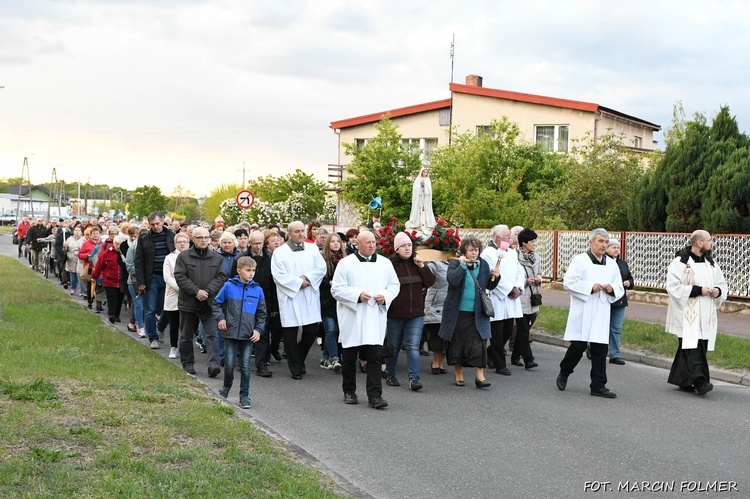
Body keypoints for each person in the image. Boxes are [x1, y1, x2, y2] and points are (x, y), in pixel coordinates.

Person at [331, 230, 401, 409]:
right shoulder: (346, 264)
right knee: (349, 357)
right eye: (367, 242)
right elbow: (336, 289)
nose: (371, 245)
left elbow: (394, 285)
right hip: (352, 316)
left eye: (373, 242)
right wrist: (356, 295)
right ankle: (349, 391)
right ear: (358, 244)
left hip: (374, 316)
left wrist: (385, 296)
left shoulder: (385, 263)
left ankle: (375, 395)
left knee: (375, 357)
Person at [556, 228, 624, 399]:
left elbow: (619, 286)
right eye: (600, 241)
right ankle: (564, 371)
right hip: (584, 309)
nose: (604, 245)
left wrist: (611, 289)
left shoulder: (611, 263)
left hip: (601, 310)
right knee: (578, 347)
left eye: (606, 242)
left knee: (601, 348)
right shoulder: (580, 260)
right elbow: (569, 282)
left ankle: (598, 385)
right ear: (591, 242)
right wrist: (589, 287)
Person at [665, 230, 727, 396]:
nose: (712, 243)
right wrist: (698, 290)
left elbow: (722, 283)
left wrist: (718, 291)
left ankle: (683, 380)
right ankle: (701, 382)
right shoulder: (680, 262)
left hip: (706, 313)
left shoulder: (710, 263)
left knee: (695, 346)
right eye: (709, 240)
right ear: (700, 243)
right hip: (687, 313)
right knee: (693, 347)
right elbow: (672, 287)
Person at [439, 235, 500, 389]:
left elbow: (489, 286)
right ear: (464, 250)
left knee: (479, 344)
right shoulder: (455, 263)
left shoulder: (483, 264)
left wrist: (496, 277)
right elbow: (452, 281)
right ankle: (458, 373)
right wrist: (463, 266)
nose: (474, 253)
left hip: (477, 312)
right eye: (471, 250)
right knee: (458, 343)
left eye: (477, 250)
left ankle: (480, 376)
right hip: (458, 312)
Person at [271, 220, 327, 380]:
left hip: (308, 293)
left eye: (303, 230)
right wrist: (297, 282)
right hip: (290, 296)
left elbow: (321, 268)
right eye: (297, 231)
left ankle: (298, 357)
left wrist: (307, 278)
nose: (301, 234)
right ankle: (295, 368)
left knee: (312, 331)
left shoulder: (312, 248)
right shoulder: (280, 252)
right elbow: (278, 275)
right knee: (290, 333)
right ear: (289, 234)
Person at [213, 256, 267, 409]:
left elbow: (262, 313)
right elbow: (217, 303)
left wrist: (258, 330)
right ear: (238, 270)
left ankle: (244, 395)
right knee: (229, 364)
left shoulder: (257, 290)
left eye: (253, 270)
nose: (251, 274)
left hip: (248, 334)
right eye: (248, 270)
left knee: (245, 366)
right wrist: (221, 319)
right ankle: (225, 389)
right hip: (230, 332)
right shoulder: (228, 286)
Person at [385, 232, 435, 391]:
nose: (407, 248)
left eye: (409, 245)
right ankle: (390, 374)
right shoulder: (390, 265)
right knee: (393, 345)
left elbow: (430, 282)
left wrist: (422, 266)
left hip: (416, 314)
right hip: (396, 313)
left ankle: (414, 379)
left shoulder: (416, 263)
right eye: (403, 246)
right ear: (396, 249)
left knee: (413, 347)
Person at [174, 227, 226, 377]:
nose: (203, 240)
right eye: (200, 237)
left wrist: (207, 292)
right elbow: (180, 277)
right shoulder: (184, 257)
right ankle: (188, 363)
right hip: (189, 302)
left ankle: (213, 365)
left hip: (209, 302)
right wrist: (196, 291)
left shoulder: (217, 258)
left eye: (206, 237)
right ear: (193, 239)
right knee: (186, 335)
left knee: (212, 334)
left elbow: (221, 277)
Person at [481, 224, 525, 376]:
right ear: (498, 237)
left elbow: (520, 271)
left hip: (512, 298)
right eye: (507, 235)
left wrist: (518, 287)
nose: (510, 237)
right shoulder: (487, 253)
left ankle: (491, 354)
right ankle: (501, 365)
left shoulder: (511, 252)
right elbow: (492, 275)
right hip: (498, 297)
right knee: (497, 333)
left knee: (508, 330)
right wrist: (509, 290)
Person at [135, 212, 175, 349]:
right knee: (150, 309)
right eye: (152, 224)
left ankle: (161, 327)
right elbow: (138, 260)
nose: (156, 227)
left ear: (163, 221)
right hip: (151, 277)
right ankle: (153, 337)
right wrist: (140, 282)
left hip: (168, 277)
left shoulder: (171, 235)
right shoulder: (144, 237)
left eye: (158, 223)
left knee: (167, 308)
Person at [512, 228, 541, 369]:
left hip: (533, 297)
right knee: (523, 329)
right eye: (531, 241)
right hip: (520, 296)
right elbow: (513, 275)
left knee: (524, 329)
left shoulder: (537, 257)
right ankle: (528, 359)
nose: (534, 244)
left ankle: (514, 356)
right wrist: (525, 281)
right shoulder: (514, 256)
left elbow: (540, 273)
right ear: (523, 243)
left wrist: (538, 279)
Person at [319, 232, 345, 371]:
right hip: (326, 300)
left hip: (340, 301)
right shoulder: (322, 259)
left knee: (337, 330)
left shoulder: (345, 259)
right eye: (333, 241)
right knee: (330, 329)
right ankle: (335, 358)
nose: (336, 243)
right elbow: (317, 280)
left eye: (338, 241)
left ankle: (324, 358)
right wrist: (329, 282)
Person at [605, 239, 634, 366]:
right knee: (601, 327)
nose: (617, 249)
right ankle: (591, 348)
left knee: (616, 328)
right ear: (607, 248)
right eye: (613, 247)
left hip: (620, 300)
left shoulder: (622, 263)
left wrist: (629, 282)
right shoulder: (602, 262)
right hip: (605, 300)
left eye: (618, 247)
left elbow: (629, 277)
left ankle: (614, 355)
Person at [163, 232, 191, 359]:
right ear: (175, 244)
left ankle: (186, 349)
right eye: (179, 241)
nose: (182, 243)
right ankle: (173, 347)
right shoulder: (169, 258)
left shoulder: (192, 257)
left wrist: (190, 288)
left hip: (190, 294)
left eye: (185, 241)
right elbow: (167, 277)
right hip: (174, 294)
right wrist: (181, 288)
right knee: (174, 323)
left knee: (187, 325)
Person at [91, 227, 125, 324]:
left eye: (120, 244)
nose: (117, 246)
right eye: (116, 244)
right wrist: (94, 276)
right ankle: (111, 314)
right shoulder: (108, 253)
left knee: (119, 298)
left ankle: (117, 315)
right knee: (111, 298)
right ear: (113, 243)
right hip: (109, 280)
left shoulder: (125, 253)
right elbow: (99, 265)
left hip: (122, 280)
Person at [423, 259, 450, 375]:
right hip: (436, 303)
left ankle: (441, 362)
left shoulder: (456, 262)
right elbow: (426, 275)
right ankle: (435, 362)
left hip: (450, 303)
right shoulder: (434, 263)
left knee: (447, 336)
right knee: (437, 335)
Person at [406, 168, 436, 235]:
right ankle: (418, 224)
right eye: (424, 172)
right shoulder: (418, 179)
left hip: (426, 199)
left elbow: (429, 191)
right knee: (419, 212)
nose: (425, 173)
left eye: (426, 172)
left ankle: (426, 224)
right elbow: (415, 189)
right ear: (421, 172)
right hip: (419, 198)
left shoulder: (428, 180)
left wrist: (425, 188)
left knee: (425, 212)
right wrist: (420, 187)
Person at [63, 226, 84, 297]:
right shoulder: (69, 239)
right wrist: (65, 247)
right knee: (72, 276)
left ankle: (80, 290)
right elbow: (65, 249)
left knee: (80, 276)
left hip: (79, 259)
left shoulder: (83, 239)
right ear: (73, 231)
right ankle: (73, 288)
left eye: (79, 230)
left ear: (81, 232)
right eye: (76, 230)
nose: (77, 232)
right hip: (71, 259)